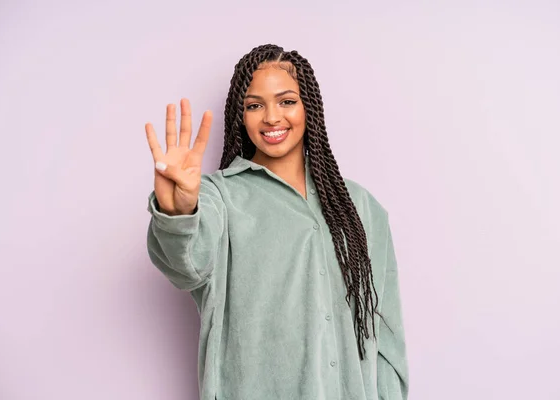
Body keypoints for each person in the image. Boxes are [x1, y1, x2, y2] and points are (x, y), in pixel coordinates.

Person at [144, 44, 408, 400]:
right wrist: (179, 211)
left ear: (308, 108)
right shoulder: (219, 198)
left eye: (286, 101)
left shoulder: (360, 207)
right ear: (241, 116)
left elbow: (386, 335)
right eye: (255, 105)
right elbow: (187, 265)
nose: (271, 117)